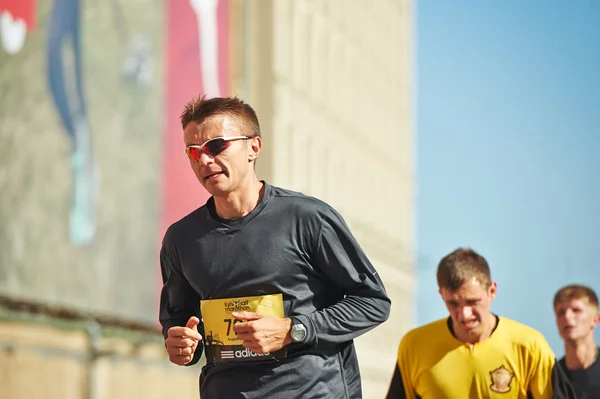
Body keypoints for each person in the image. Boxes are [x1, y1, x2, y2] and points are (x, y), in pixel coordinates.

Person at [158, 94, 391, 399]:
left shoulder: (307, 218)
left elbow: (372, 303)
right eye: (193, 151)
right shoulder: (181, 239)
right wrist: (181, 345)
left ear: (253, 147)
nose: (204, 160)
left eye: (216, 146)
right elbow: (181, 323)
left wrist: (293, 330)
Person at [385, 248, 576, 399]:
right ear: (441, 295)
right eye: (452, 303)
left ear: (492, 291)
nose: (464, 314)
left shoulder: (530, 346)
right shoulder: (415, 345)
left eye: (472, 301)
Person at [553, 284, 600, 398]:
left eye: (576, 310)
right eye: (561, 312)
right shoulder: (550, 379)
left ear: (595, 319)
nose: (567, 317)